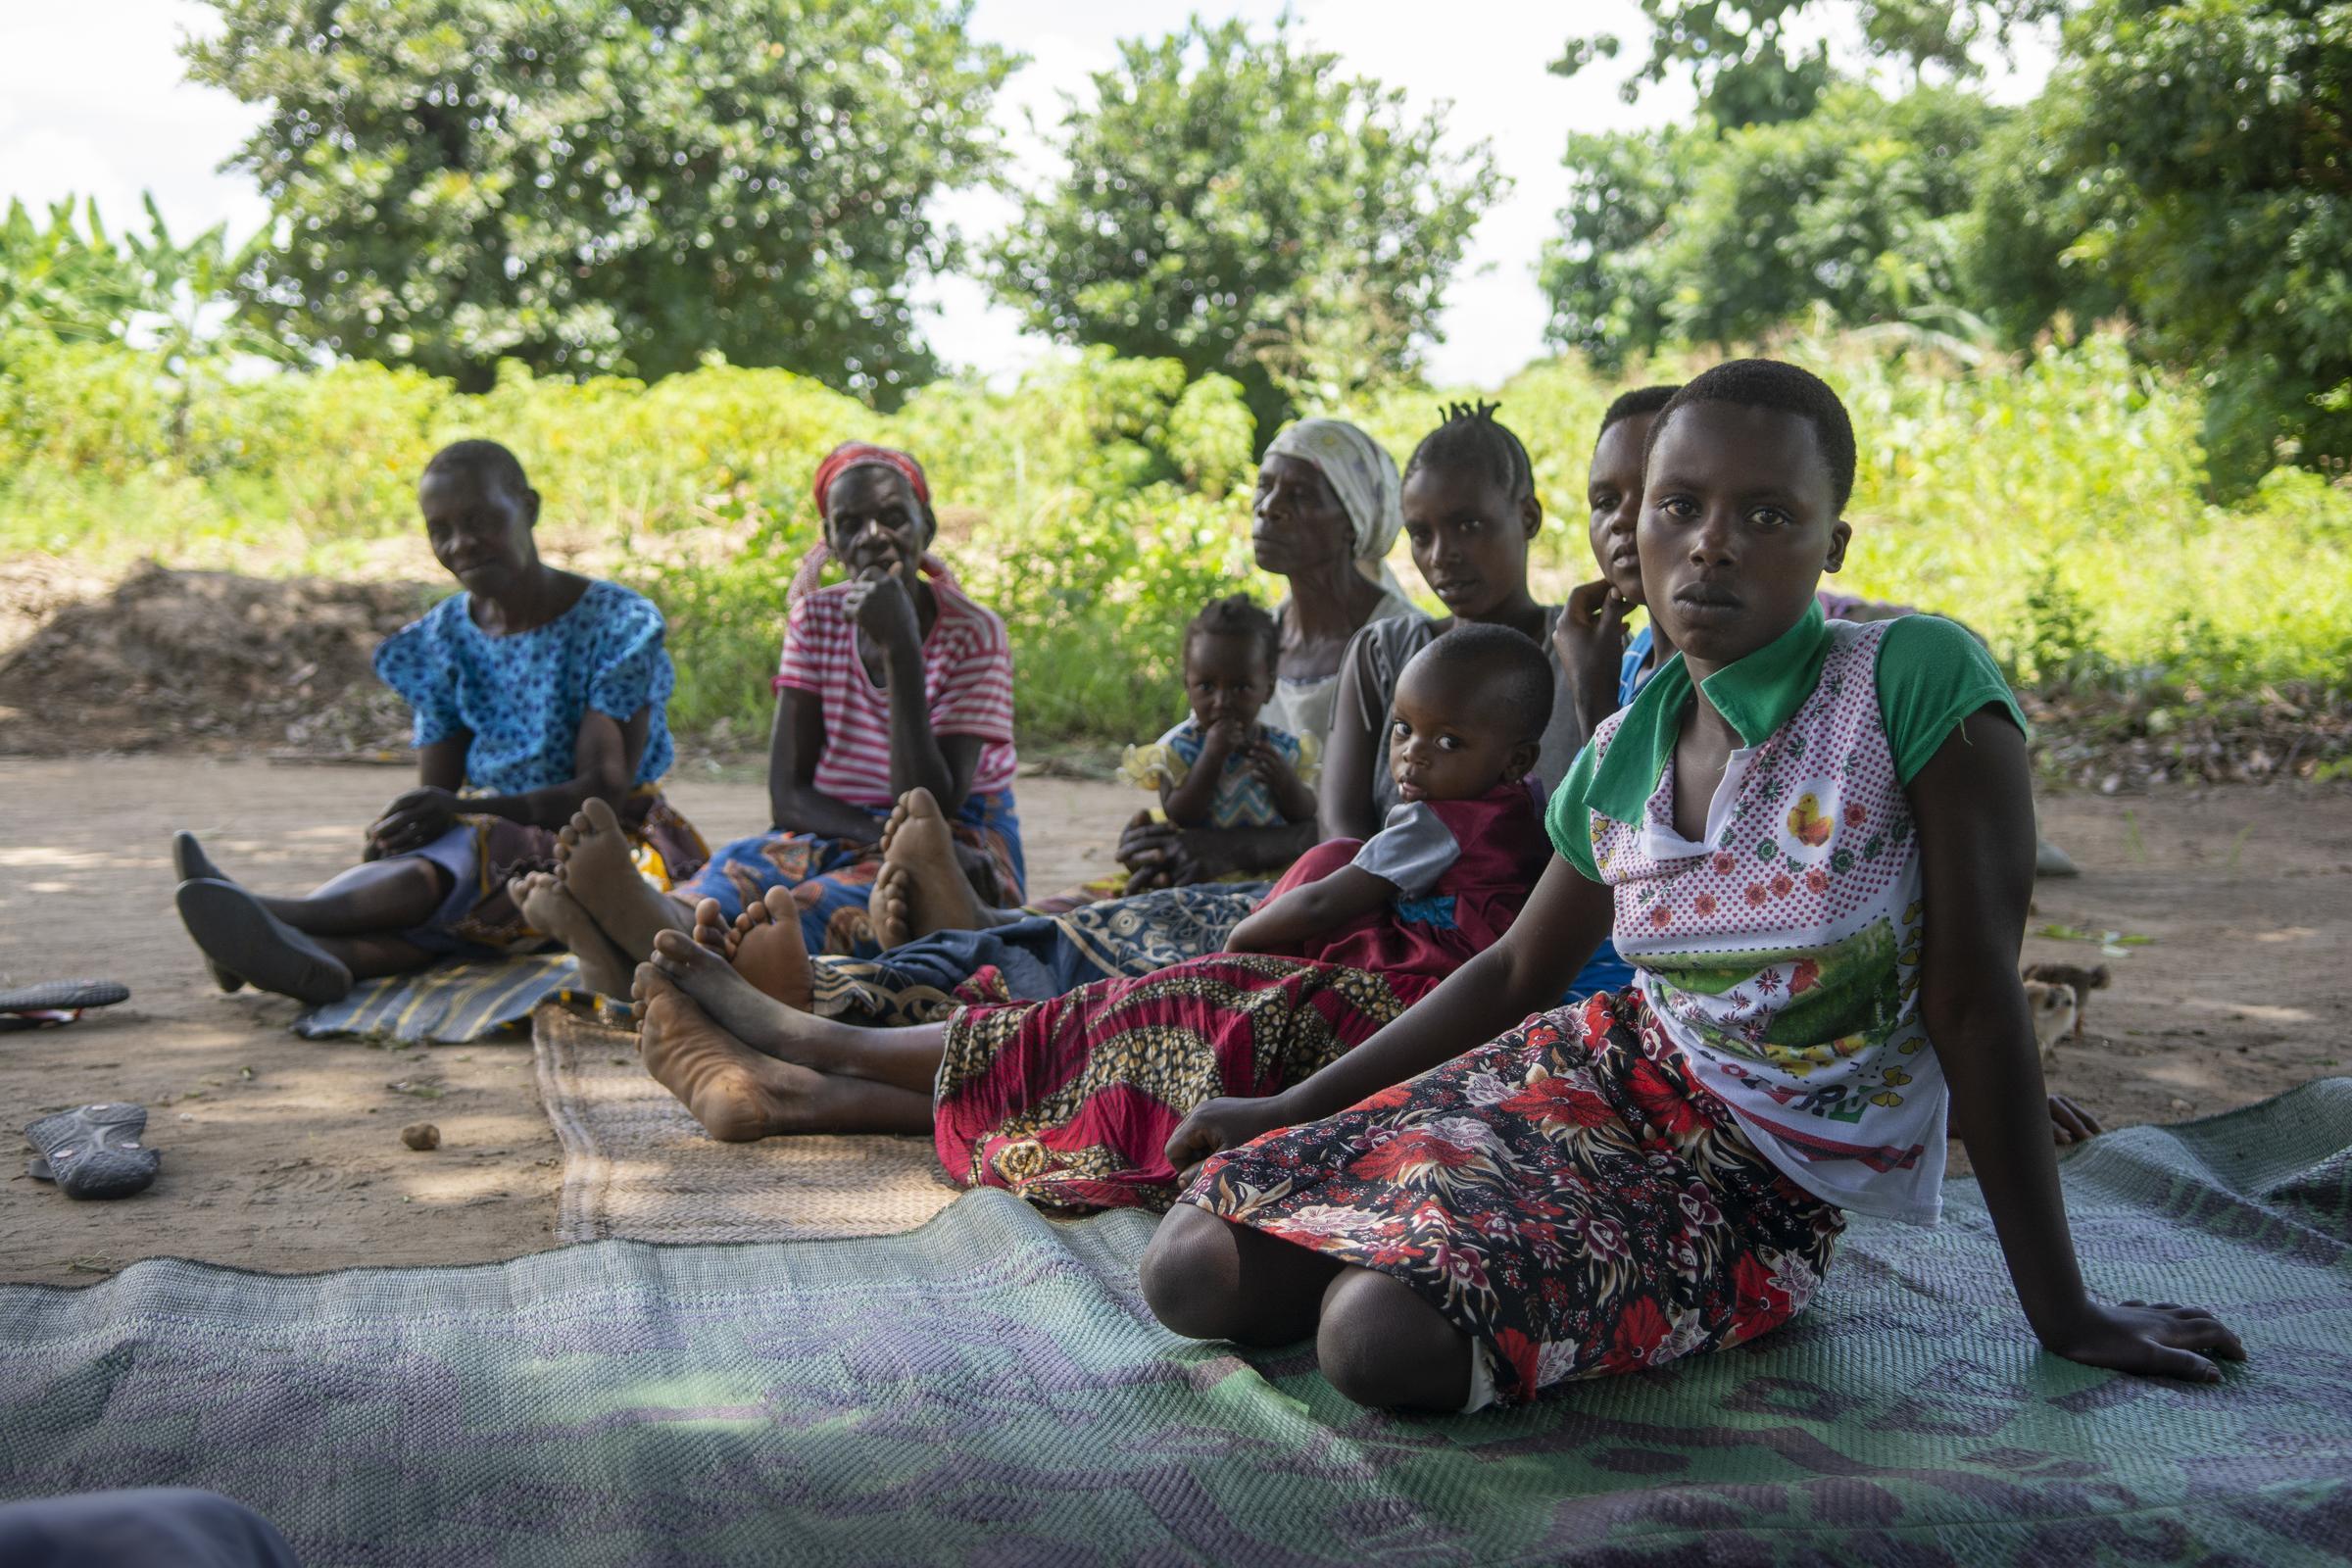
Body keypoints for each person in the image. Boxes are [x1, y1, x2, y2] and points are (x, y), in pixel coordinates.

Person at [1137, 360, 2242, 1413]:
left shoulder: (1910, 681)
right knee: (1196, 1268)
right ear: (1635, 531)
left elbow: (1972, 1001)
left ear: (1831, 541)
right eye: (1679, 507)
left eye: (1767, 515)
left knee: (1375, 1338)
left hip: (1755, 1178)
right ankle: (1424, 1227)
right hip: (1594, 1075)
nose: (1711, 545)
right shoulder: (1627, 745)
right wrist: (1292, 1105)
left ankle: (1430, 1257)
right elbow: (1519, 969)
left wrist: (2065, 1311)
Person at [618, 626, 1562, 1213]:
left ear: (1515, 755)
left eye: (1446, 741)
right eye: (1405, 731)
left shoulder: (1441, 823)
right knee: (1117, 1027)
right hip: (1400, 992)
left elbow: (1325, 892)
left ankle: (816, 1038)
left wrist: (1251, 939)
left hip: (1394, 1000)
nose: (1415, 755)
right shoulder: (1509, 798)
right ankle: (797, 1083)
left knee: (1150, 1011)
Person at [170, 441, 705, 1004]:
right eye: (439, 530)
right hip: (495, 843)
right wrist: (405, 827)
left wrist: (463, 811)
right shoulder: (443, 638)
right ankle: (326, 959)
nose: (460, 544)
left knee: (475, 846)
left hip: (610, 839)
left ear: (529, 506)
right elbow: (439, 790)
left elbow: (602, 790)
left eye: (479, 520)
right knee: (446, 855)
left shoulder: (615, 624)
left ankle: (266, 917)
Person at [539, 441, 1022, 984]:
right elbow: (787, 796)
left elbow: (933, 802)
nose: (874, 537)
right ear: (831, 541)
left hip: (955, 841)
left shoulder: (974, 631)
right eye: (850, 524)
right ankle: (654, 925)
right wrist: (880, 833)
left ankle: (639, 954)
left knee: (841, 900)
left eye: (893, 518)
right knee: (741, 867)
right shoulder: (815, 620)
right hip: (836, 824)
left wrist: (902, 649)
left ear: (925, 527)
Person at [1118, 594, 1320, 833]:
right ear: (1187, 685)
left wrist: (1286, 782)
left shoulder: (1281, 749)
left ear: (1268, 689)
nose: (1222, 701)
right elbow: (1179, 815)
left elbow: (1306, 814)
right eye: (1206, 687)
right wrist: (1211, 757)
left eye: (1241, 687)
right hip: (1199, 865)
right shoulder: (1177, 750)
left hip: (1269, 866)